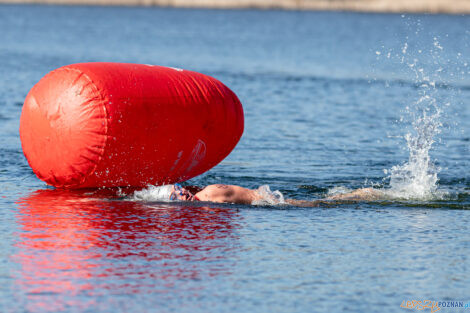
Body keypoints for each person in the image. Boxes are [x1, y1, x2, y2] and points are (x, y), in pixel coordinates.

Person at [167, 183, 384, 207]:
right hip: (262, 195)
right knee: (314, 202)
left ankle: (359, 195)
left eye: (180, 193)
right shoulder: (204, 191)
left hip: (266, 200)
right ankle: (356, 194)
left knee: (315, 204)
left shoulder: (207, 199)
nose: (182, 194)